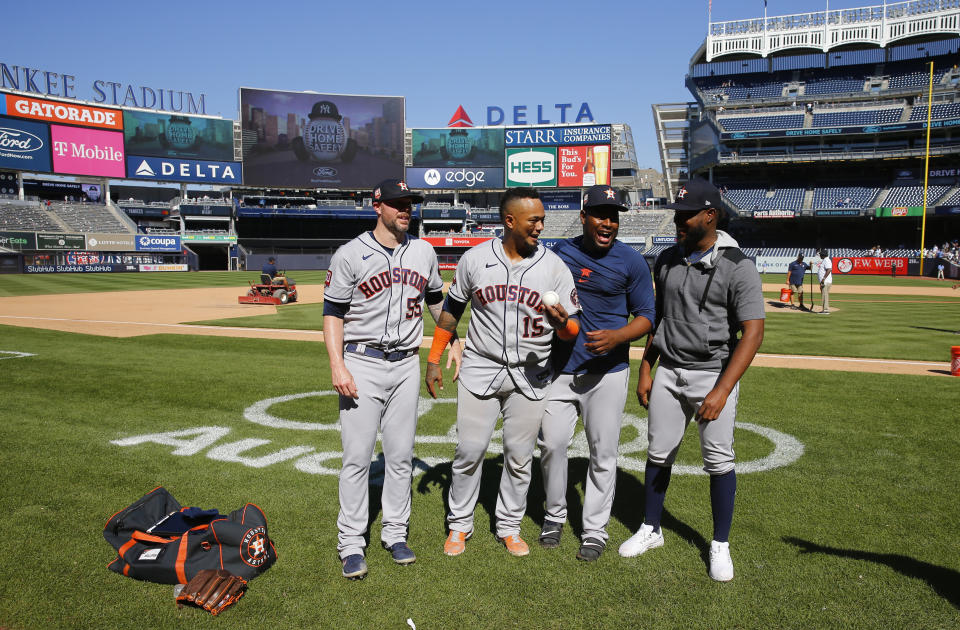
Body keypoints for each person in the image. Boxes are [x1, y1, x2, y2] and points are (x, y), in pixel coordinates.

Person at [617, 177, 765, 582]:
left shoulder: (738, 265)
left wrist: (721, 390)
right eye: (676, 214)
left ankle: (719, 543)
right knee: (658, 453)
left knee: (718, 460)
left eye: (686, 215)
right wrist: (646, 368)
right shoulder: (665, 259)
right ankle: (651, 528)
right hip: (669, 371)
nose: (677, 222)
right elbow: (658, 319)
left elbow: (753, 332)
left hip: (712, 373)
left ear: (710, 215)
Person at [424, 187, 579, 558]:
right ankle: (459, 524)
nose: (541, 225)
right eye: (534, 220)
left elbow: (573, 328)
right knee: (470, 451)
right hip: (481, 367)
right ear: (509, 221)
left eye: (542, 218)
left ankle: (509, 525)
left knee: (519, 455)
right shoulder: (475, 259)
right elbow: (452, 310)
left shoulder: (554, 267)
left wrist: (562, 325)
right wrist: (434, 356)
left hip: (531, 373)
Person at [323, 179, 462, 580]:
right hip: (362, 361)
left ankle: (395, 534)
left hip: (405, 364)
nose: (406, 209)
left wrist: (450, 338)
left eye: (410, 203)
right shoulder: (351, 253)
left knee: (400, 456)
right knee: (357, 457)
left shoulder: (423, 251)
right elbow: (332, 312)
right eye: (398, 203)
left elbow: (436, 298)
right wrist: (337, 364)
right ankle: (350, 542)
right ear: (377, 206)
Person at [536, 185, 655, 561]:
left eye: (614, 215)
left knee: (603, 453)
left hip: (608, 373)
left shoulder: (631, 261)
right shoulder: (560, 254)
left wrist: (619, 335)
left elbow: (648, 317)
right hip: (562, 371)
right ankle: (554, 516)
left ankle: (594, 530)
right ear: (584, 216)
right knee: (552, 446)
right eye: (601, 214)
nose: (608, 222)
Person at [818, 249, 833, 314]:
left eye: (820, 254)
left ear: (823, 255)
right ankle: (825, 309)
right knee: (824, 295)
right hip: (825, 281)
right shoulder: (825, 260)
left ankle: (826, 310)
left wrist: (823, 279)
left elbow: (829, 269)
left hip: (825, 281)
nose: (820, 255)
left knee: (825, 295)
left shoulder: (826, 260)